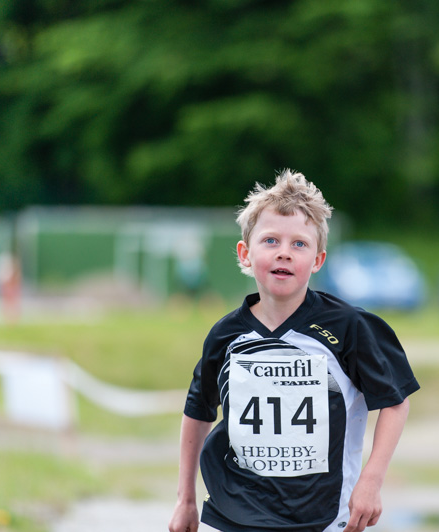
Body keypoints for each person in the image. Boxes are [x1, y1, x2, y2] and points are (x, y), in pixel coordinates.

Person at [168, 169, 419, 532]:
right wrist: (185, 500)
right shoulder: (226, 336)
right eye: (270, 241)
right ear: (245, 253)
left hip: (323, 519)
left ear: (317, 260)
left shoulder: (349, 328)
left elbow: (395, 402)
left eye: (299, 244)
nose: (284, 253)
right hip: (235, 514)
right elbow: (198, 410)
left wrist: (371, 481)